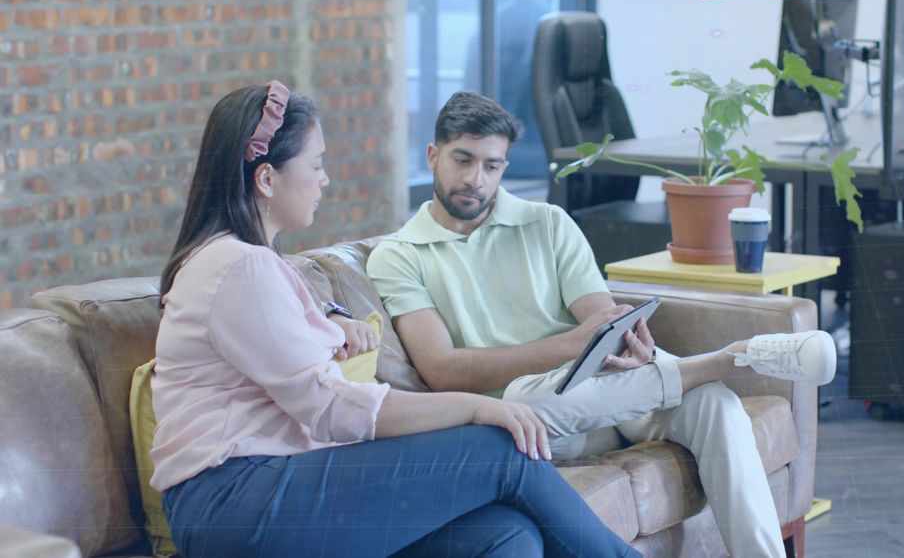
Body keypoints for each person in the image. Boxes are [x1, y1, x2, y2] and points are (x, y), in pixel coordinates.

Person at [151, 81, 638, 558]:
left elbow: (279, 334)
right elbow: (329, 407)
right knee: (501, 448)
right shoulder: (240, 266)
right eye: (316, 164)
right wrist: (473, 407)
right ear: (266, 179)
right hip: (234, 503)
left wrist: (333, 322)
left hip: (266, 492)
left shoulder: (252, 264)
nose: (325, 178)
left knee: (504, 535)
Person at [367, 91, 838, 558]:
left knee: (715, 402)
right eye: (462, 160)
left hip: (611, 393)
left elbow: (601, 319)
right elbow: (442, 370)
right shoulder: (399, 256)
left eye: (492, 166)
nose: (476, 179)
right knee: (521, 399)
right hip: (536, 423)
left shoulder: (548, 223)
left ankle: (711, 378)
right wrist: (571, 345)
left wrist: (630, 346)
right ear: (433, 156)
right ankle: (731, 357)